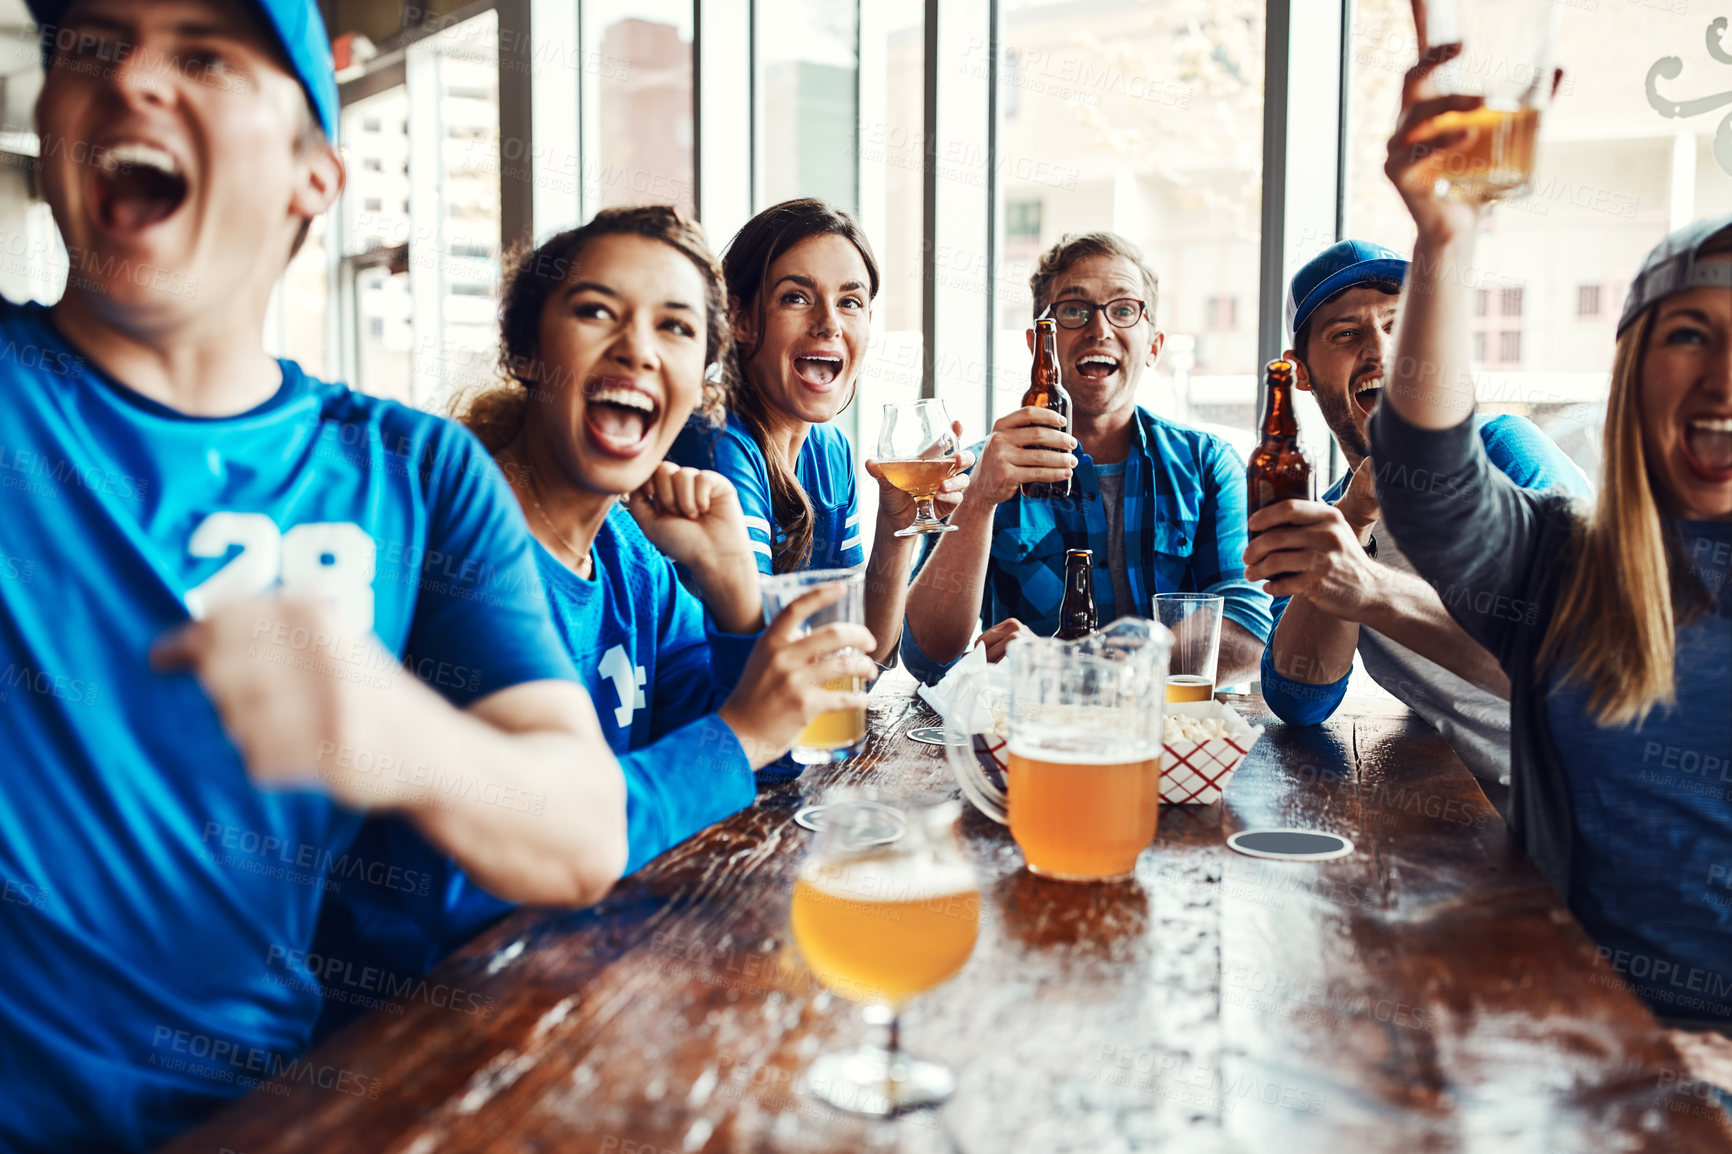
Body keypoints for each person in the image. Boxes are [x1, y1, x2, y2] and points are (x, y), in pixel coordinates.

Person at [0, 2, 630, 1149]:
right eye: (87, 45)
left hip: (274, 1116)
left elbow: (582, 831)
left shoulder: (415, 471)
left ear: (314, 175)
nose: (131, 79)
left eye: (202, 53)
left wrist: (392, 728)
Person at [311, 208, 877, 1031]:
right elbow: (506, 863)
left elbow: (761, 771)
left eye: (675, 327)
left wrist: (731, 595)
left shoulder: (634, 553)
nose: (638, 349)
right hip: (425, 1031)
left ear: (701, 384)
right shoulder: (444, 552)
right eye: (597, 312)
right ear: (529, 353)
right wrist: (743, 734)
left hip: (590, 984)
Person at [1375, 18, 1730, 1027]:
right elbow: (1431, 481)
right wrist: (1446, 240)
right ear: (1630, 375)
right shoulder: (1564, 564)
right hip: (1573, 1046)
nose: (1722, 378)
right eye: (1690, 335)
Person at [1249, 240, 1590, 790]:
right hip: (1491, 817)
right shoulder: (1329, 524)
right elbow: (1299, 699)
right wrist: (1356, 519)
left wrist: (1370, 588)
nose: (1381, 351)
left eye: (1398, 325)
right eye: (1345, 333)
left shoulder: (1504, 452)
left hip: (1611, 797)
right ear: (1302, 373)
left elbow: (1577, 658)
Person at [901, 231, 1272, 684]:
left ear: (1153, 345)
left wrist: (1072, 666)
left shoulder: (1209, 464)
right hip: (1031, 738)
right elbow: (927, 656)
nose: (1100, 329)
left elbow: (1248, 628)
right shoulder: (982, 470)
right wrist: (979, 500)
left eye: (1123, 309)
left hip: (1177, 737)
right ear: (1040, 343)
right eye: (1074, 311)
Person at [667, 198, 970, 671]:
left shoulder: (830, 451)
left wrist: (896, 529)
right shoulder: (715, 442)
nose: (829, 324)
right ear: (739, 319)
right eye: (796, 297)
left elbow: (860, 661)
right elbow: (767, 675)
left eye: (850, 302)